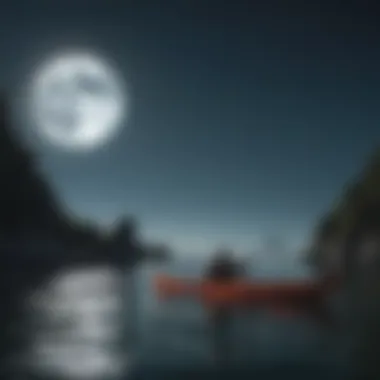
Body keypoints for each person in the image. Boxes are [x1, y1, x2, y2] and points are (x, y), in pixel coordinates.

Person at [204, 248, 245, 366]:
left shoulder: (228, 266)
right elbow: (210, 277)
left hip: (226, 293)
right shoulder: (217, 267)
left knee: (224, 314)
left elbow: (237, 276)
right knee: (219, 313)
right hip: (218, 292)